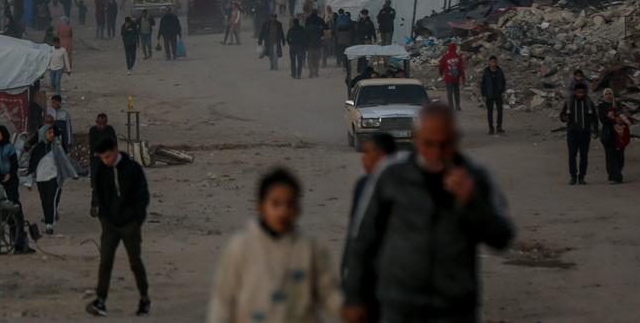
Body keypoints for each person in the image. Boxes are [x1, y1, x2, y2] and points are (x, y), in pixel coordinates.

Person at [341, 104, 514, 323]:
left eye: (445, 144)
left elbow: (502, 237)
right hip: (399, 306)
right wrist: (353, 296)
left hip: (455, 308)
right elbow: (362, 239)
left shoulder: (476, 177)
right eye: (428, 143)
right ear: (416, 139)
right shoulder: (391, 174)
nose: (436, 153)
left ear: (456, 139)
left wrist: (472, 202)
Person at [208, 168, 339, 323]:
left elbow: (328, 293)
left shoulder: (311, 249)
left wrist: (348, 309)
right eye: (275, 204)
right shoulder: (240, 248)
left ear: (298, 209)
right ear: (260, 207)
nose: (283, 212)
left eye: (289, 204)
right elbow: (223, 301)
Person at [87, 136, 152, 318]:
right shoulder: (101, 169)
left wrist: (136, 219)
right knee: (105, 262)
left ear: (115, 150)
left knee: (135, 262)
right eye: (102, 158)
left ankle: (144, 298)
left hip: (129, 224)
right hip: (109, 224)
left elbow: (143, 196)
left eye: (108, 156)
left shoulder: (132, 169)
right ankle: (100, 300)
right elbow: (98, 194)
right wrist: (103, 216)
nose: (106, 160)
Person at [342, 133, 399, 311]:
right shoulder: (363, 185)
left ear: (381, 156)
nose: (363, 159)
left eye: (367, 153)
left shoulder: (401, 188)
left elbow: (356, 235)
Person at [30, 124, 78, 235]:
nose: (52, 135)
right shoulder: (37, 149)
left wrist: (73, 173)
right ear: (43, 134)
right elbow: (32, 165)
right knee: (44, 201)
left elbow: (64, 160)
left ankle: (49, 225)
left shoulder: (56, 146)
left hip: (53, 178)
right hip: (40, 179)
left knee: (51, 201)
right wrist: (29, 180)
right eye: (49, 133)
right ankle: (47, 220)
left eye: (52, 133)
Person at [560, 81, 598, 185]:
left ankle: (582, 176)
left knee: (584, 156)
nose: (580, 94)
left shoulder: (589, 102)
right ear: (575, 92)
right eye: (578, 92)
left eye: (582, 92)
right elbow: (562, 116)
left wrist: (595, 131)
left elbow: (594, 118)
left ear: (585, 92)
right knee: (572, 155)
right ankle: (573, 176)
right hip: (572, 133)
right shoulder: (569, 102)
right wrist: (565, 118)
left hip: (585, 133)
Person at [597, 88, 630, 184]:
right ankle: (615, 177)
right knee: (610, 156)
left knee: (620, 156)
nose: (608, 95)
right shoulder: (602, 106)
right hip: (608, 134)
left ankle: (616, 174)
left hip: (620, 134)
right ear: (603, 96)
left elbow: (624, 116)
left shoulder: (618, 105)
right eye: (606, 94)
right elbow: (603, 119)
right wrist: (615, 120)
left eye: (610, 93)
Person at [88, 113, 119, 218]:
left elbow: (114, 144)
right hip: (96, 162)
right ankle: (95, 205)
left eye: (103, 124)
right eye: (99, 123)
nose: (101, 126)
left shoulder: (110, 130)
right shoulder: (93, 131)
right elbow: (93, 147)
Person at [0, 125, 21, 204]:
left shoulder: (9, 147)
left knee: (13, 200)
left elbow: (14, 164)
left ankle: (18, 216)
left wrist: (10, 174)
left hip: (10, 178)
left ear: (3, 133)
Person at [480, 56, 507, 135]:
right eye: (491, 62)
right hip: (489, 95)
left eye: (494, 62)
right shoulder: (486, 72)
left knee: (500, 111)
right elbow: (483, 84)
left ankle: (499, 127)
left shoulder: (499, 71)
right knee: (490, 112)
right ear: (489, 63)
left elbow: (503, 81)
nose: (493, 63)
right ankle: (491, 128)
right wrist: (484, 94)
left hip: (498, 94)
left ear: (496, 62)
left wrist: (502, 90)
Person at [438, 42, 466, 111]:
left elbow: (441, 66)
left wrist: (441, 73)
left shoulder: (445, 57)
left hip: (448, 78)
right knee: (457, 93)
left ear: (449, 48)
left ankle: (451, 107)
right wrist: (463, 78)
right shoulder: (458, 57)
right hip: (456, 78)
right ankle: (457, 106)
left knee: (449, 93)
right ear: (455, 48)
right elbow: (461, 68)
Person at [304, 9, 325, 78]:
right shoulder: (320, 20)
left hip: (310, 44)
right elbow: (323, 32)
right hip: (318, 43)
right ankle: (316, 72)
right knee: (317, 59)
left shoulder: (308, 20)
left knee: (310, 59)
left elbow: (305, 34)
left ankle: (311, 72)